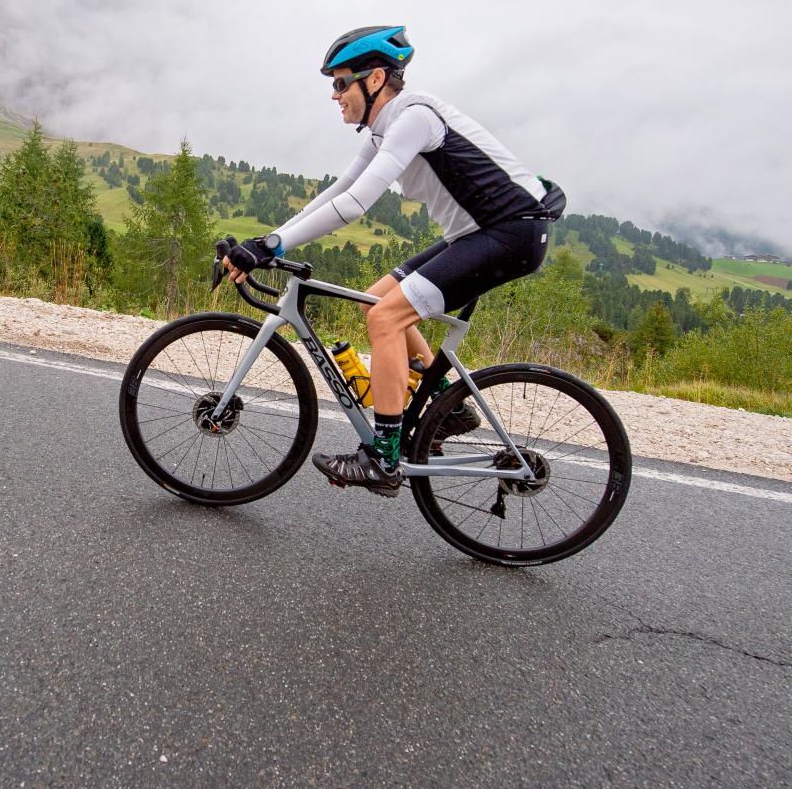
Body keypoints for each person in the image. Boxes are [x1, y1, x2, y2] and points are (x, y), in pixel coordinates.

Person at [223, 26, 561, 497]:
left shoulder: (413, 119)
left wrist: (273, 247)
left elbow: (355, 204)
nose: (334, 94)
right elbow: (338, 190)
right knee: (376, 300)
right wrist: (269, 240)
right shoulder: (385, 127)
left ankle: (382, 459)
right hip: (484, 233)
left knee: (386, 318)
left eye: (341, 82)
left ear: (376, 79)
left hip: (508, 235)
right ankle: (449, 407)